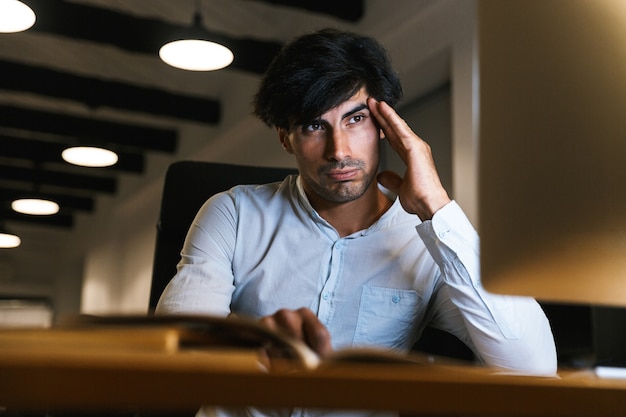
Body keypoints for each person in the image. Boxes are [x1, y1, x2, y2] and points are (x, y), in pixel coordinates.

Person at [156, 28, 557, 416]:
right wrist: (253, 344)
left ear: (384, 124)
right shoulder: (233, 214)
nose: (339, 150)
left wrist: (438, 208)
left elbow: (534, 368)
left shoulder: (427, 245)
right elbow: (171, 354)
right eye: (315, 125)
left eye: (355, 119)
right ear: (285, 136)